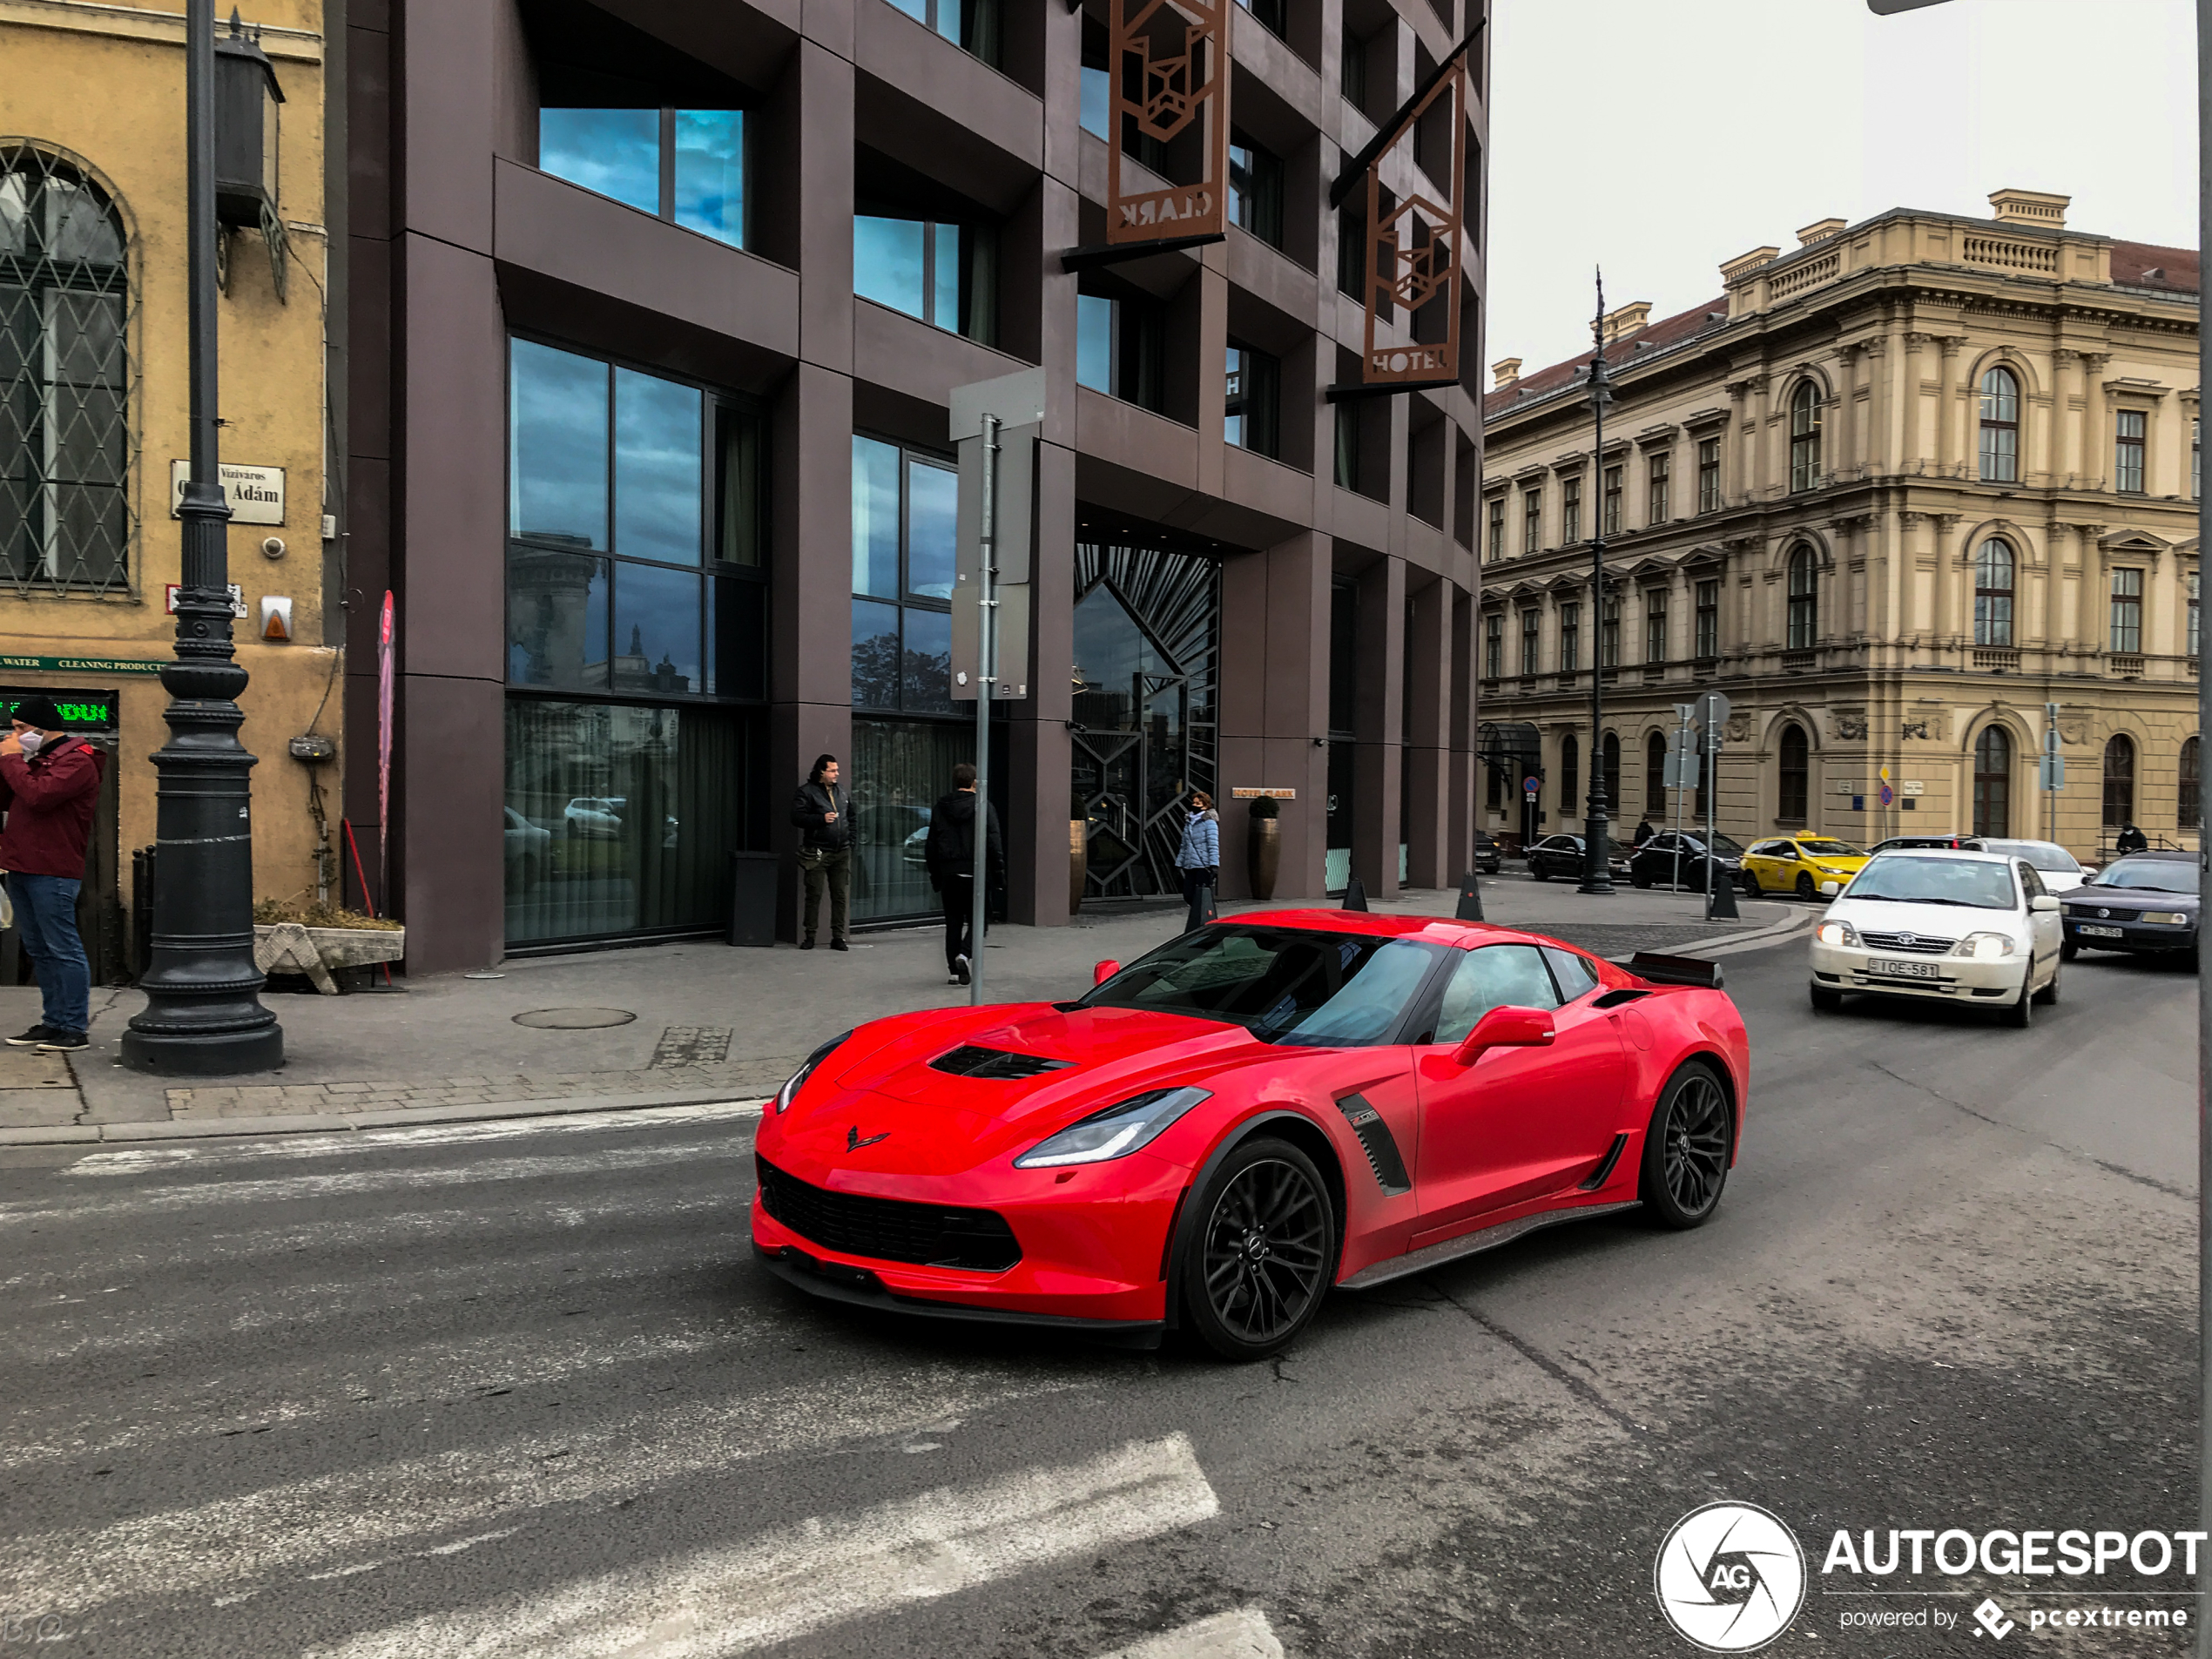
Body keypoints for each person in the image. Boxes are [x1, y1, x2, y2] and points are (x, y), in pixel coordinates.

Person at [0, 698, 104, 1052]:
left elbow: (38, 796)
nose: (15, 735)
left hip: (53, 869)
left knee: (63, 948)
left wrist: (13, 759)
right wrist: (9, 761)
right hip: (21, 865)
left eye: (20, 728)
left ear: (43, 727)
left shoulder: (78, 761)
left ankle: (74, 1027)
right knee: (40, 950)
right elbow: (9, 795)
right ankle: (53, 1021)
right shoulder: (36, 761)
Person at [925, 762, 1001, 986]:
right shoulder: (983, 806)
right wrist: (999, 873)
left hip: (949, 872)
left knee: (953, 921)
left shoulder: (941, 807)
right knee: (980, 920)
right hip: (975, 871)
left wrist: (935, 873)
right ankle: (964, 955)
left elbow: (931, 843)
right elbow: (994, 841)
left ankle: (953, 972)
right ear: (975, 782)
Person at [789, 753, 851, 951]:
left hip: (841, 851)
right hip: (817, 850)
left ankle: (838, 937)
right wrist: (820, 819)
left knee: (839, 895)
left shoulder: (841, 792)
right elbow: (797, 817)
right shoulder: (806, 792)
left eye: (837, 770)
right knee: (814, 894)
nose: (836, 774)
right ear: (821, 771)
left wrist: (852, 840)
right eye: (832, 770)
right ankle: (810, 936)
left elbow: (853, 817)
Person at [1175, 791, 1220, 934]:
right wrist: (1179, 863)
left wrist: (1214, 865)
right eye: (1193, 803)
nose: (1194, 805)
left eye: (1198, 803)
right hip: (1189, 864)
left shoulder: (1209, 822)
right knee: (1188, 895)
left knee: (1202, 896)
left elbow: (1213, 844)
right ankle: (1198, 922)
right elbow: (1184, 845)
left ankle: (1205, 925)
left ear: (1205, 806)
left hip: (1203, 865)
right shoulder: (1189, 822)